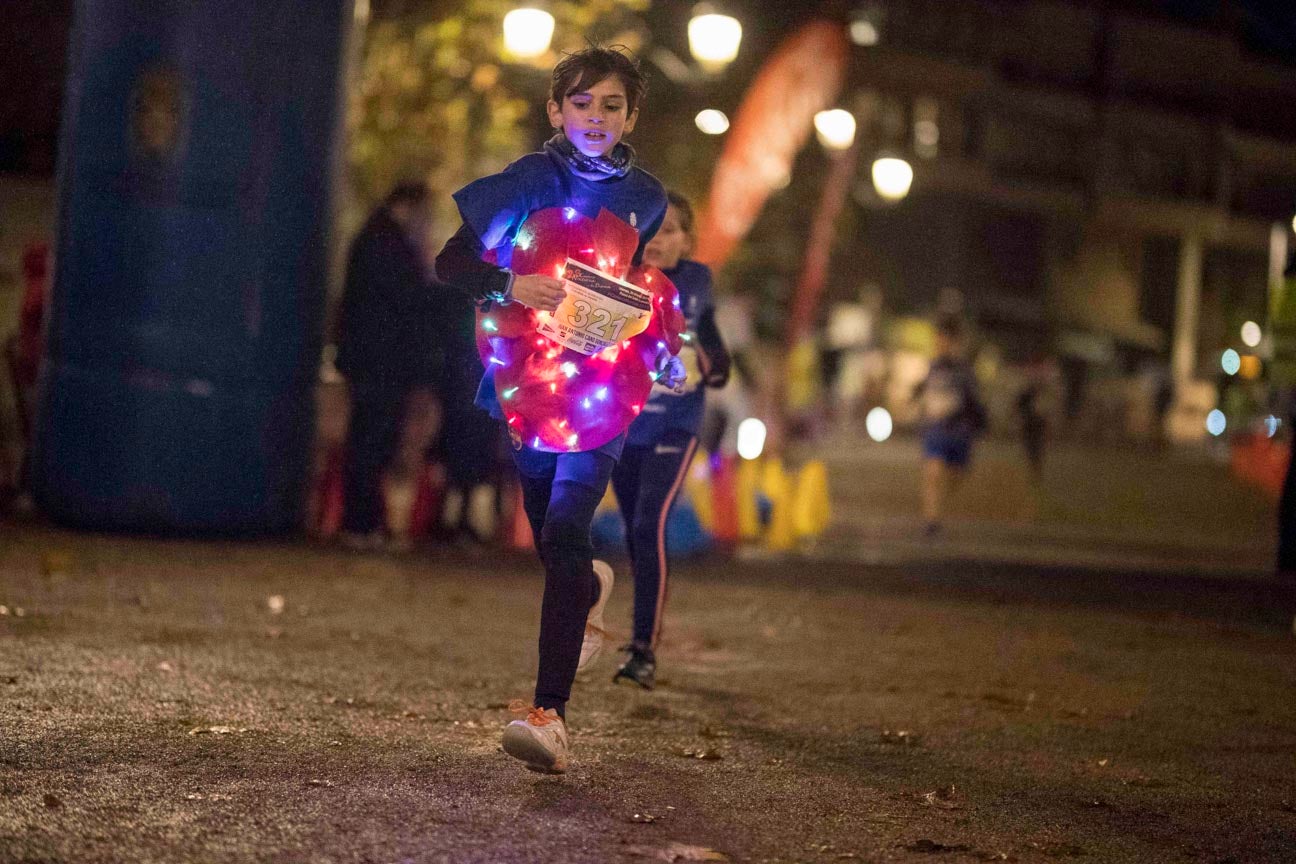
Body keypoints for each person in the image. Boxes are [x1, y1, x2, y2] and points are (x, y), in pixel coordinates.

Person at [435, 46, 681, 774]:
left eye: (612, 105)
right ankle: (590, 586)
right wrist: (510, 285)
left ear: (632, 115)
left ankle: (549, 715)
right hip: (528, 387)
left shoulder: (648, 196)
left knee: (568, 531)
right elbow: (452, 263)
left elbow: (637, 279)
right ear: (556, 110)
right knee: (554, 543)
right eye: (582, 103)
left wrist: (642, 322)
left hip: (601, 393)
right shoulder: (526, 181)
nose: (596, 118)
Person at [610, 192, 730, 690]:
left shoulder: (698, 281)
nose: (658, 240)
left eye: (671, 230)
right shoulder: (615, 277)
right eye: (651, 230)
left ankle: (643, 649)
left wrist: (714, 365)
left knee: (648, 521)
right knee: (637, 533)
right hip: (620, 422)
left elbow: (713, 342)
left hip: (677, 422)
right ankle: (647, 613)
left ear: (688, 239)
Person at [335, 182, 442, 550]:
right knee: (371, 442)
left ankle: (365, 521)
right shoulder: (388, 247)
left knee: (370, 440)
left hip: (372, 362)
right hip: (381, 364)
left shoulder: (374, 240)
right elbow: (406, 307)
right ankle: (362, 523)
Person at [914, 314, 985, 536]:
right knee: (932, 473)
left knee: (954, 476)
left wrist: (977, 421)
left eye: (944, 339)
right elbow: (923, 390)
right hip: (936, 429)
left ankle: (937, 511)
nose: (940, 344)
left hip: (959, 432)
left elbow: (974, 401)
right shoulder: (932, 366)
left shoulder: (964, 370)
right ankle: (931, 522)